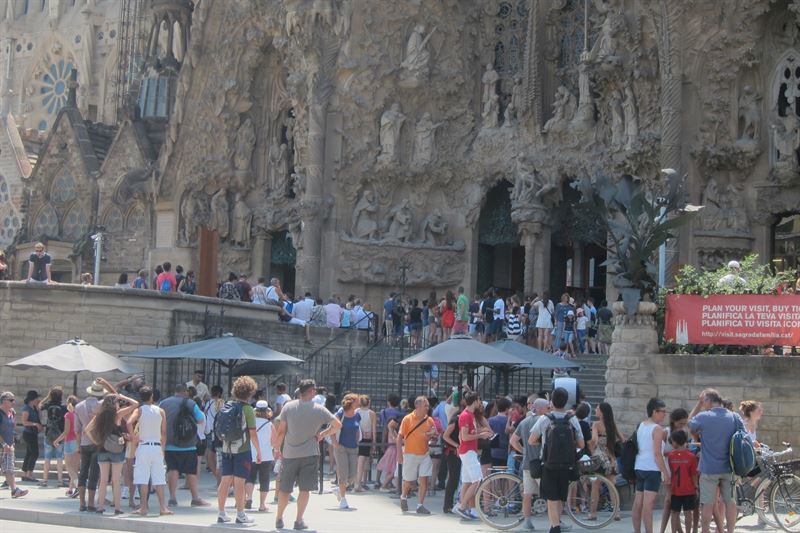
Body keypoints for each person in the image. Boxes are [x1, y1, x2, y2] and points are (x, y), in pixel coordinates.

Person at [271, 379, 341, 531]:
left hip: (290, 453)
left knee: (285, 489)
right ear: (312, 392)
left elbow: (281, 430)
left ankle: (279, 518)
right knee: (305, 489)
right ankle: (298, 520)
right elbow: (337, 424)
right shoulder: (319, 409)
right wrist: (323, 434)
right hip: (310, 453)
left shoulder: (288, 407)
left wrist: (276, 448)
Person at [529, 387, 585, 533]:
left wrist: (543, 442)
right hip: (567, 464)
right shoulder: (572, 419)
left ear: (552, 401)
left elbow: (531, 440)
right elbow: (581, 444)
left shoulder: (545, 419)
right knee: (560, 497)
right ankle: (556, 524)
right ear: (566, 402)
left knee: (551, 498)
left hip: (548, 464)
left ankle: (555, 527)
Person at [688, 389, 742, 533]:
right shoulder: (734, 417)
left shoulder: (704, 417)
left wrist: (698, 405)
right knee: (731, 502)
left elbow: (689, 424)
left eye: (703, 401)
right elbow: (743, 436)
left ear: (708, 401)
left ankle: (705, 531)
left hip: (709, 468)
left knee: (707, 504)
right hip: (729, 468)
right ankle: (730, 531)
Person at [84, 391, 139, 515]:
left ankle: (100, 507)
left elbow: (87, 430)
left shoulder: (99, 415)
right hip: (117, 451)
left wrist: (97, 441)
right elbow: (135, 404)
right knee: (116, 480)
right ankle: (117, 508)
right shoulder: (117, 414)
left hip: (102, 449)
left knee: (103, 480)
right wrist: (122, 396)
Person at [217, 376, 261, 524]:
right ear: (250, 393)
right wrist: (259, 451)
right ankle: (240, 514)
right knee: (239, 482)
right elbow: (253, 433)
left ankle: (221, 512)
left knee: (225, 480)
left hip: (226, 447)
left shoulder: (227, 405)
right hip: (242, 450)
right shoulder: (248, 409)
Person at [160, 383, 209, 507]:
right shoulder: (190, 403)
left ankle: (172, 497)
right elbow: (201, 419)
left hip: (170, 443)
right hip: (188, 443)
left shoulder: (163, 403)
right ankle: (195, 498)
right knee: (190, 471)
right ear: (185, 392)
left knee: (172, 469)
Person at [125, 386, 171, 517]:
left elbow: (129, 422)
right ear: (152, 396)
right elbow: (164, 432)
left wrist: (134, 437)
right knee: (159, 478)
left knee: (143, 479)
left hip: (143, 445)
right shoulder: (161, 411)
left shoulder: (139, 410)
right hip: (156, 445)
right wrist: (163, 447)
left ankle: (143, 507)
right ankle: (163, 507)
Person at [510, 397, 550, 531]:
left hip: (527, 463)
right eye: (547, 407)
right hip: (541, 463)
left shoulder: (524, 422)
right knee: (551, 494)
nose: (549, 410)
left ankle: (527, 521)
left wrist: (524, 451)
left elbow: (513, 440)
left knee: (527, 494)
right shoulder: (545, 421)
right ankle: (556, 521)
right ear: (540, 408)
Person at [632, 397, 670, 533]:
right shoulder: (657, 429)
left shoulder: (641, 425)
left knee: (638, 503)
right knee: (648, 505)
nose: (665, 414)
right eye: (663, 411)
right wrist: (665, 472)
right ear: (654, 411)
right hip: (652, 469)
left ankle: (637, 531)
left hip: (639, 466)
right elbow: (657, 453)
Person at [454, 391, 493, 520]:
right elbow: (465, 437)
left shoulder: (468, 414)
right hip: (468, 451)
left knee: (467, 481)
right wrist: (481, 435)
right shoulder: (466, 415)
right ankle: (462, 506)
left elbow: (468, 433)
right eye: (479, 400)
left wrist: (481, 431)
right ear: (475, 400)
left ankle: (461, 505)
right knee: (477, 480)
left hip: (468, 451)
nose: (480, 403)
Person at [75, 379, 112, 512]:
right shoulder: (101, 405)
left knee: (83, 473)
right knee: (94, 474)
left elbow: (77, 430)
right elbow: (115, 396)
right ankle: (91, 503)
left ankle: (81, 503)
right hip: (97, 442)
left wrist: (78, 446)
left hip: (84, 442)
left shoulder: (78, 406)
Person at [397, 396, 437, 515]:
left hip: (424, 454)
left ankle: (420, 505)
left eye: (428, 406)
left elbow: (434, 437)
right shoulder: (407, 419)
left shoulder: (429, 420)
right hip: (410, 454)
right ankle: (403, 497)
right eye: (426, 406)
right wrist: (399, 454)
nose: (428, 408)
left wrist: (432, 435)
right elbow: (400, 437)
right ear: (417, 406)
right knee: (408, 480)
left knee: (424, 479)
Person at [589, 402, 624, 521]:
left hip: (600, 459)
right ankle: (616, 512)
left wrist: (590, 446)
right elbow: (622, 439)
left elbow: (594, 439)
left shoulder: (596, 424)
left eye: (597, 409)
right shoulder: (612, 425)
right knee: (611, 486)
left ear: (602, 412)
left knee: (595, 486)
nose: (595, 411)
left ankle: (592, 513)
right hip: (612, 458)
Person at [665, 429, 699, 533]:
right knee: (688, 513)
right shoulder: (691, 456)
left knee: (674, 513)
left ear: (675, 441)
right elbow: (694, 474)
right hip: (689, 490)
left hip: (675, 490)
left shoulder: (671, 456)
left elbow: (671, 471)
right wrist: (696, 487)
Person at [333, 393, 361, 509]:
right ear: (352, 402)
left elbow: (357, 429)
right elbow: (332, 427)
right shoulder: (340, 413)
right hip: (341, 447)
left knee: (353, 475)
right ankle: (343, 499)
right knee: (343, 473)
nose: (359, 403)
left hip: (353, 447)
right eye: (357, 401)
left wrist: (358, 441)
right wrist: (335, 443)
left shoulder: (357, 415)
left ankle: (340, 490)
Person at [245, 401, 274, 513]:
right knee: (264, 480)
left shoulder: (250, 423)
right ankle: (262, 505)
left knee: (250, 477)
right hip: (266, 455)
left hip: (251, 454)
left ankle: (249, 498)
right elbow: (274, 441)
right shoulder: (269, 424)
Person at [0, 392, 28, 498]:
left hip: (9, 446)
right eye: (11, 400)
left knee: (9, 469)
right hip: (2, 446)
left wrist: (12, 442)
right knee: (8, 469)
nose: (13, 402)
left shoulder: (12, 412)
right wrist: (3, 444)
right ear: (4, 400)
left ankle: (15, 490)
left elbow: (11, 428)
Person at [40, 386, 67, 487]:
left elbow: (40, 405)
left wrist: (47, 396)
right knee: (59, 458)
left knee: (47, 458)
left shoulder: (48, 405)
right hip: (60, 435)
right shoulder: (64, 407)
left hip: (48, 434)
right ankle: (60, 481)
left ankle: (45, 480)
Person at [53, 395, 80, 497]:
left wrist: (57, 440)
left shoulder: (68, 415)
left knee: (69, 467)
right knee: (75, 468)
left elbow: (66, 431)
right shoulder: (79, 414)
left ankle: (78, 487)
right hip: (78, 441)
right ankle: (70, 489)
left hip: (69, 442)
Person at [20, 390, 42, 481]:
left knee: (29, 453)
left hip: (33, 433)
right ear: (32, 399)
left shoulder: (34, 408)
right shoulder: (26, 408)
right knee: (35, 453)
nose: (38, 399)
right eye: (36, 398)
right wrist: (35, 424)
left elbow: (39, 418)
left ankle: (25, 473)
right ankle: (29, 474)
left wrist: (38, 408)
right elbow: (24, 422)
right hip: (28, 433)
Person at [355, 394, 376, 491]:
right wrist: (374, 442)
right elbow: (374, 429)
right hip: (367, 438)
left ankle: (357, 481)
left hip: (357, 437)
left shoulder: (356, 411)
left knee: (358, 461)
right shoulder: (372, 413)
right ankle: (361, 482)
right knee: (364, 461)